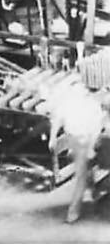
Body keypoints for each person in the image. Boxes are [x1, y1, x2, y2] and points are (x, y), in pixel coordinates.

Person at [42, 84, 108, 223]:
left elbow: (58, 119)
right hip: (79, 141)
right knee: (82, 176)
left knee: (84, 171)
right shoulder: (89, 106)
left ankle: (82, 205)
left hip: (79, 141)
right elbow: (95, 130)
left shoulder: (81, 103)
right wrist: (53, 138)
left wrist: (53, 138)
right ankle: (74, 213)